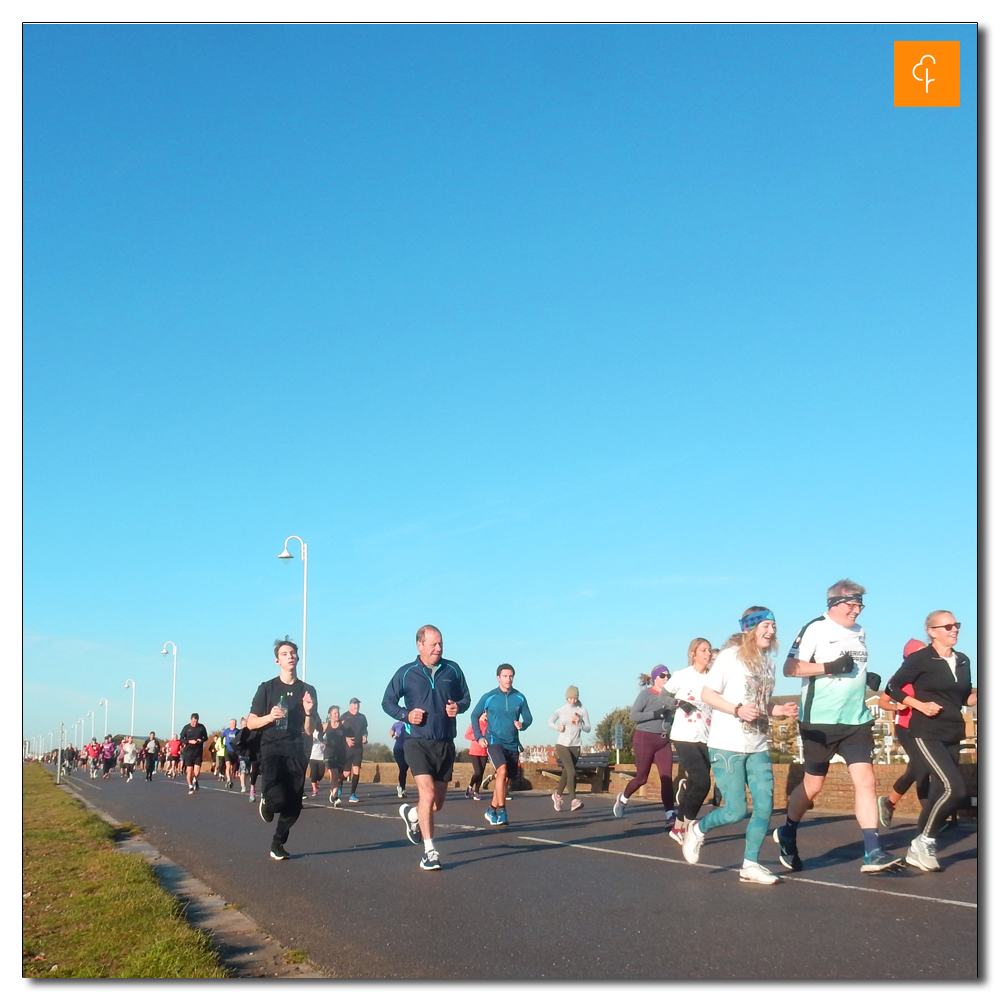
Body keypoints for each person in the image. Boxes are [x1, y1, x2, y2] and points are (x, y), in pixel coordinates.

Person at [775, 579, 902, 874]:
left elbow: (854, 663)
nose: (857, 611)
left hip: (855, 719)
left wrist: (867, 677)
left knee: (866, 781)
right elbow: (790, 668)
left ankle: (873, 852)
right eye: (853, 604)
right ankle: (788, 832)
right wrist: (829, 667)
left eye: (861, 605)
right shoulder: (815, 628)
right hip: (820, 721)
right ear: (834, 604)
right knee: (813, 786)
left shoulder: (860, 631)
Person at [681, 607, 799, 884]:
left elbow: (760, 704)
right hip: (727, 745)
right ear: (750, 628)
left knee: (765, 807)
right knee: (735, 810)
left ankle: (750, 864)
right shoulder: (730, 658)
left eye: (773, 626)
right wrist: (736, 710)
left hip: (758, 744)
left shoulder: (767, 663)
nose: (771, 631)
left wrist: (778, 709)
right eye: (765, 626)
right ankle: (697, 829)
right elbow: (707, 694)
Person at [886, 611, 974, 872]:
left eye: (956, 625)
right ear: (932, 631)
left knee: (938, 792)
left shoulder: (963, 660)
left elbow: (964, 698)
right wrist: (919, 705)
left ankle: (921, 846)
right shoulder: (921, 658)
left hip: (953, 731)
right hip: (926, 731)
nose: (954, 629)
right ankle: (923, 842)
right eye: (947, 626)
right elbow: (893, 688)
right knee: (955, 789)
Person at [382, 624, 471, 872]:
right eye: (433, 644)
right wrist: (405, 714)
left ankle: (412, 816)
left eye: (440, 643)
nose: (438, 648)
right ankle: (430, 851)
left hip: (444, 743)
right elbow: (387, 701)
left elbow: (465, 697)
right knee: (427, 793)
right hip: (416, 741)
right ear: (419, 645)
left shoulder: (453, 669)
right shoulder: (407, 672)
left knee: (436, 803)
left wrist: (458, 707)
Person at [246, 639, 320, 860]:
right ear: (277, 660)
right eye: (285, 653)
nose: (290, 656)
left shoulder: (308, 690)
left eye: (293, 653)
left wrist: (308, 712)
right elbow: (251, 723)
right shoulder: (267, 688)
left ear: (297, 658)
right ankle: (267, 801)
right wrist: (270, 716)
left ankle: (278, 843)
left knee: (294, 804)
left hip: (297, 749)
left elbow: (309, 730)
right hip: (272, 748)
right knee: (278, 799)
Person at [664, 638, 714, 845]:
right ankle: (689, 827)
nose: (708, 653)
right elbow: (663, 697)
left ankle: (678, 828)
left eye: (709, 650)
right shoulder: (682, 675)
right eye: (703, 650)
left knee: (695, 782)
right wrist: (679, 703)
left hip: (706, 736)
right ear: (693, 654)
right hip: (684, 736)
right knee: (703, 781)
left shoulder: (713, 678)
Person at [877, 639, 931, 827]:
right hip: (905, 726)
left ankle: (929, 815)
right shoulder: (901, 676)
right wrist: (896, 705)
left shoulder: (930, 674)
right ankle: (890, 802)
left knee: (923, 769)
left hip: (926, 727)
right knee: (920, 764)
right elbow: (882, 701)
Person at [612, 666, 676, 826]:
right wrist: (654, 714)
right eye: (662, 676)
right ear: (655, 678)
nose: (666, 679)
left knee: (667, 778)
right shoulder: (646, 694)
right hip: (644, 738)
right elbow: (633, 716)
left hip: (663, 741)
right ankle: (623, 798)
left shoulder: (671, 697)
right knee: (641, 778)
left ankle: (670, 814)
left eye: (668, 676)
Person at [471, 664, 533, 826]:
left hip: (512, 743)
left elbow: (528, 718)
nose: (508, 679)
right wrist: (479, 737)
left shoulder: (519, 697)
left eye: (511, 676)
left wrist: (523, 724)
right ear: (498, 678)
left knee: (504, 780)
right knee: (502, 770)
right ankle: (503, 812)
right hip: (494, 740)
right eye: (505, 676)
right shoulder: (490, 697)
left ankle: (491, 809)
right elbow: (474, 715)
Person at [547, 686, 591, 811]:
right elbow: (549, 722)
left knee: (566, 773)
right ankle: (573, 800)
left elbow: (588, 728)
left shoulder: (582, 711)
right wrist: (558, 728)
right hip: (562, 744)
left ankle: (557, 796)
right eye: (570, 698)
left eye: (575, 698)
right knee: (571, 771)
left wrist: (580, 724)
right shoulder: (560, 710)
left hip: (575, 745)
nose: (572, 701)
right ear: (567, 697)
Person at [341, 698, 369, 803]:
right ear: (350, 705)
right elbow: (338, 731)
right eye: (354, 704)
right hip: (347, 749)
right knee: (346, 773)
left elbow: (364, 729)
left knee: (356, 770)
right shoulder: (344, 717)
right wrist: (346, 739)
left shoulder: (362, 717)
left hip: (358, 748)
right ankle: (339, 784)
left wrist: (365, 736)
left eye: (357, 704)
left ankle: (352, 794)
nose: (356, 706)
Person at [323, 705, 349, 806]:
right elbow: (318, 735)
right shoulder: (325, 726)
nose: (337, 715)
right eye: (335, 713)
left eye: (338, 713)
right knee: (333, 774)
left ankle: (333, 792)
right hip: (329, 753)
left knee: (341, 776)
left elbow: (349, 734)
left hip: (341, 753)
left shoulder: (343, 725)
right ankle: (335, 796)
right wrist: (323, 741)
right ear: (330, 715)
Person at [179, 713, 208, 794]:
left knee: (197, 771)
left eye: (196, 722)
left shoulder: (201, 727)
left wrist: (201, 740)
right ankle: (190, 786)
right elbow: (181, 739)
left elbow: (205, 737)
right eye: (193, 721)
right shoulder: (186, 728)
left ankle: (195, 779)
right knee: (189, 771)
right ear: (191, 719)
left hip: (198, 752)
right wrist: (189, 741)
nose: (195, 723)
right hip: (188, 752)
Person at [464, 711, 490, 801]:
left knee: (481, 773)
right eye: (484, 712)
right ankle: (470, 786)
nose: (486, 714)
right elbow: (466, 735)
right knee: (478, 772)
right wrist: (477, 737)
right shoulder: (474, 724)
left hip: (484, 751)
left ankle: (477, 792)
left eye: (487, 712)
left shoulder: (489, 724)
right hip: (474, 751)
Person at [390, 720, 409, 798]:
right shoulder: (397, 724)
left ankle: (402, 787)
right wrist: (393, 735)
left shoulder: (411, 724)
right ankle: (401, 788)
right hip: (398, 749)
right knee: (402, 767)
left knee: (405, 769)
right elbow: (391, 730)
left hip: (408, 749)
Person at [221, 718, 240, 789]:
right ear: (230, 724)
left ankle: (230, 779)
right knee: (228, 765)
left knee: (232, 768)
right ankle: (228, 779)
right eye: (232, 723)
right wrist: (222, 745)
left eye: (235, 723)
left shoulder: (238, 731)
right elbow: (221, 737)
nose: (234, 725)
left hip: (234, 751)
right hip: (228, 750)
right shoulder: (227, 731)